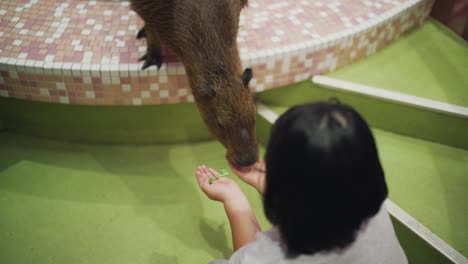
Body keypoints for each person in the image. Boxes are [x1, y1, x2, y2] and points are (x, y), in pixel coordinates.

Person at [195, 101, 408, 264]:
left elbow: (250, 257)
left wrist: (236, 203)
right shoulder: (370, 206)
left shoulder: (273, 258)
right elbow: (321, 193)